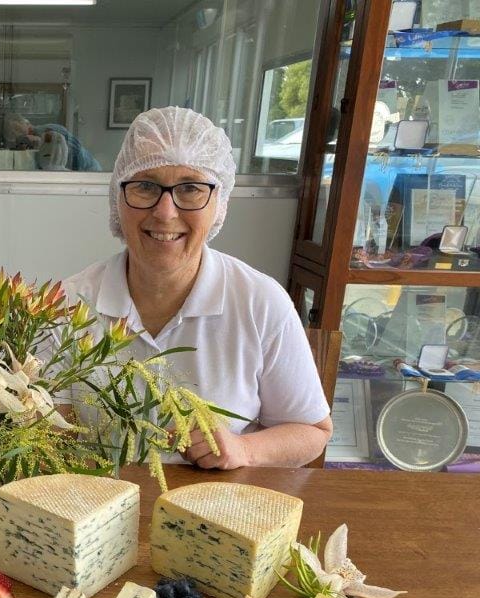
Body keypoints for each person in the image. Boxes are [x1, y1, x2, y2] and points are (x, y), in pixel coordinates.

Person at [62, 106, 332, 469]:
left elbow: (311, 430)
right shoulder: (67, 303)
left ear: (218, 202)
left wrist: (244, 449)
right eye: (145, 186)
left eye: (190, 188)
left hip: (217, 513)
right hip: (95, 511)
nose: (165, 212)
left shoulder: (260, 303)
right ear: (117, 197)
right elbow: (50, 427)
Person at [3, 113, 101, 172]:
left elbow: (75, 150)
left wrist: (40, 142)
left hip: (89, 171)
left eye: (15, 128)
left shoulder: (49, 131)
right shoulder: (30, 143)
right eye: (11, 133)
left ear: (25, 122)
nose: (15, 133)